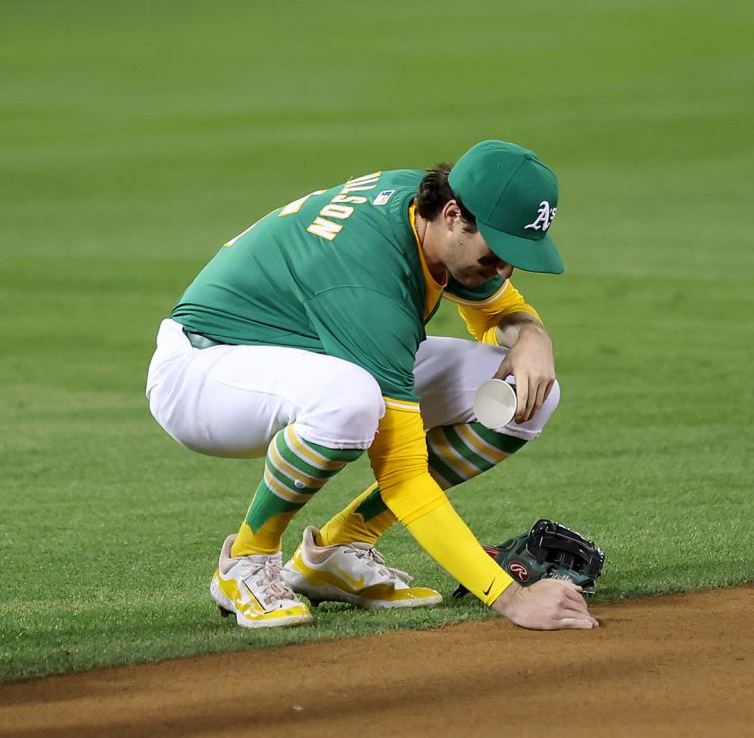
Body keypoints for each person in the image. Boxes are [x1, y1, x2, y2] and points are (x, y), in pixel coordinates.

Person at [145, 140, 598, 631]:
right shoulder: (369, 280)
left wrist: (532, 335)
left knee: (530, 396)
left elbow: (496, 310)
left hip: (312, 351)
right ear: (452, 215)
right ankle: (248, 561)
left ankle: (341, 549)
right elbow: (403, 476)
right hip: (205, 371)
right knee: (350, 402)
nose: (502, 271)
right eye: (497, 254)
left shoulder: (425, 212)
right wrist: (510, 598)